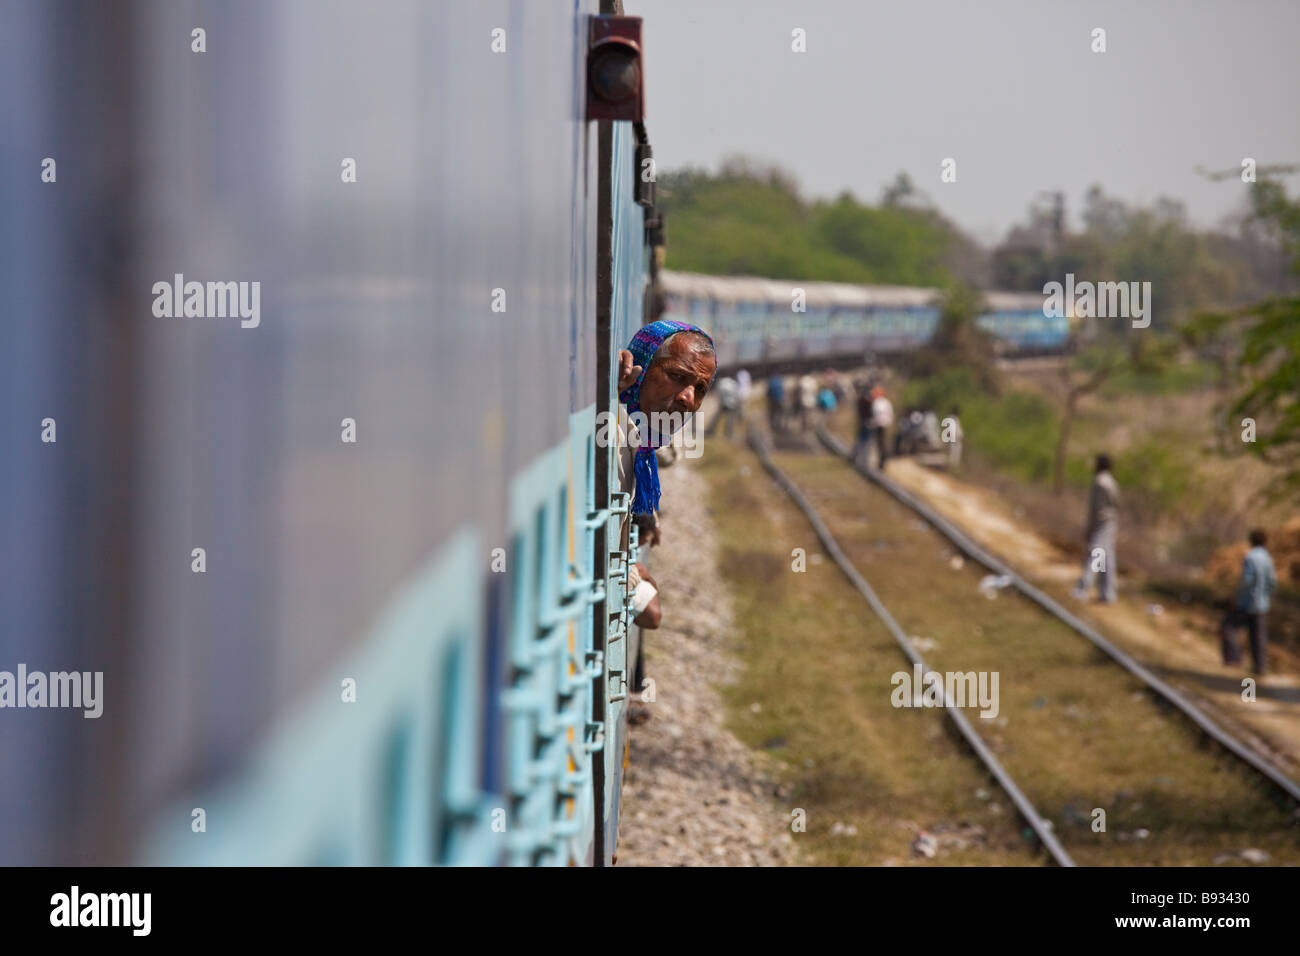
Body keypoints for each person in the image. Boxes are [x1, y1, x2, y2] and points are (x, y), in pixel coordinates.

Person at [1220, 528, 1278, 675]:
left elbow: (1247, 580)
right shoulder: (1268, 559)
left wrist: (1237, 597)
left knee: (1229, 627)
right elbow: (1272, 582)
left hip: (1246, 603)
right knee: (1258, 637)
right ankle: (1260, 667)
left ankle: (1234, 659)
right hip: (1262, 605)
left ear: (1251, 541)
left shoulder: (1251, 557)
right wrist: (1265, 596)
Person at [1072, 455, 1119, 603]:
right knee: (1107, 559)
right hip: (1110, 523)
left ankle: (1083, 588)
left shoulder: (1100, 482)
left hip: (1102, 524)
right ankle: (1107, 593)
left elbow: (1095, 509)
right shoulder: (1111, 481)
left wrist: (1090, 528)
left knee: (1096, 554)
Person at [870, 385, 894, 471]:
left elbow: (879, 415)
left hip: (881, 426)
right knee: (880, 444)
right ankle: (881, 462)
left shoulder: (879, 402)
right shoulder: (883, 402)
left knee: (881, 444)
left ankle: (882, 462)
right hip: (881, 425)